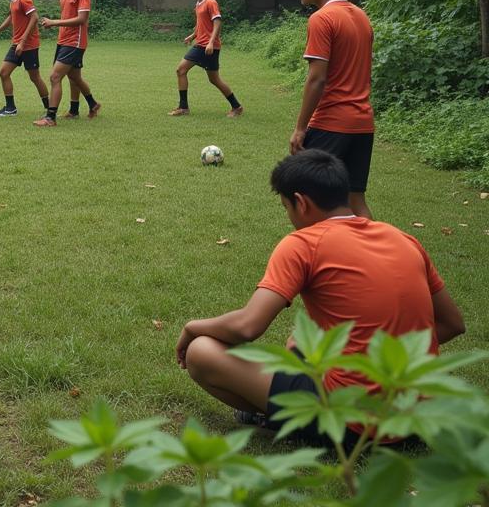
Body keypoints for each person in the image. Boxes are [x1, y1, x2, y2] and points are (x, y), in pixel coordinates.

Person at [176, 149, 465, 449]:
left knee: (201, 352)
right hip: (417, 417)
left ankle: (283, 420)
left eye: (286, 207)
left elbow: (248, 326)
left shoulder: (303, 243)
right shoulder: (403, 239)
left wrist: (192, 326)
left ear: (301, 203)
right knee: (299, 340)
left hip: (352, 424)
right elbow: (453, 323)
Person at [290, 0, 375, 219]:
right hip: (362, 124)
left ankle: (317, 259)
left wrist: (300, 129)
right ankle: (372, 260)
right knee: (355, 201)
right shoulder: (361, 17)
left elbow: (317, 79)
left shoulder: (322, 18)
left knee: (305, 200)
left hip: (331, 124)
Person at [34, 0, 101, 127]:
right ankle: (89, 105)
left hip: (75, 42)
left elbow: (82, 19)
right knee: (74, 77)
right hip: (63, 41)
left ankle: (50, 117)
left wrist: (55, 22)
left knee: (55, 77)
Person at [168, 0, 242, 118]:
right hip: (203, 44)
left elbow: (217, 22)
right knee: (214, 79)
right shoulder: (198, 3)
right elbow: (202, 24)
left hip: (206, 47)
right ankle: (237, 106)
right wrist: (192, 35)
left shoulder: (210, 2)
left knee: (180, 70)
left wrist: (210, 42)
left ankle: (183, 108)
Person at [0, 0, 50, 117]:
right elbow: (11, 17)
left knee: (34, 77)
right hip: (16, 44)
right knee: (4, 73)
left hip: (29, 45)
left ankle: (50, 109)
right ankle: (10, 108)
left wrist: (22, 41)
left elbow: (34, 18)